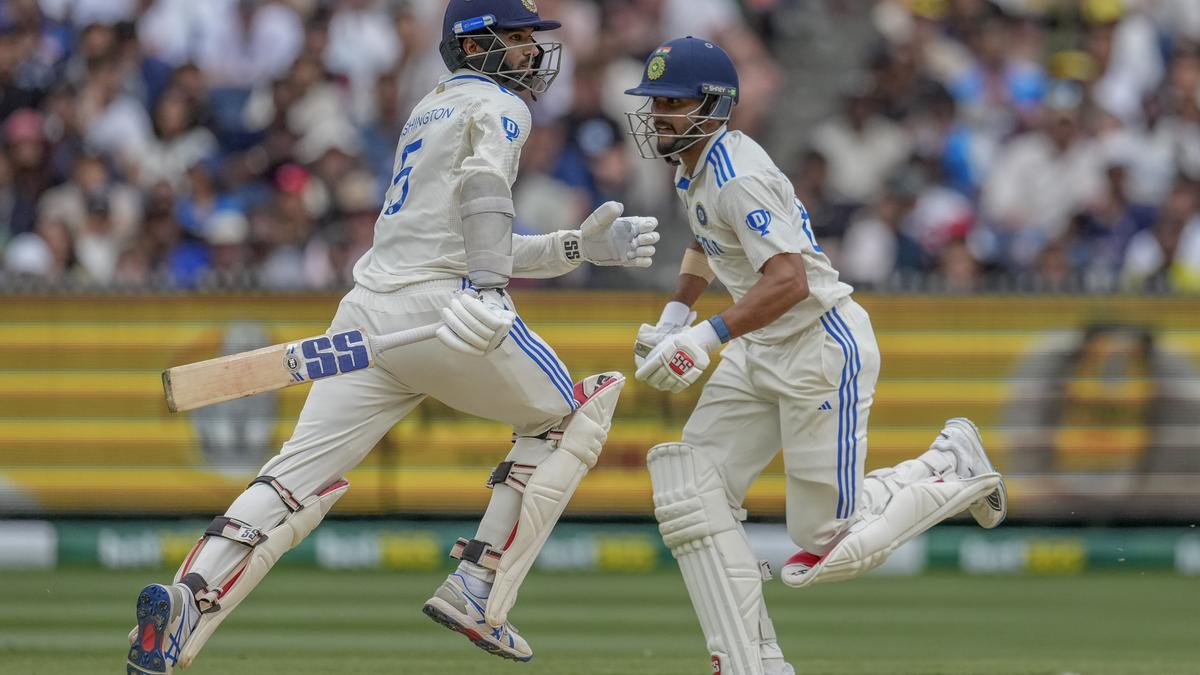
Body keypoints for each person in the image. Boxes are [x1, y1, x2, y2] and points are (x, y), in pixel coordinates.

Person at [126, 2, 661, 672]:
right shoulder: (502, 105)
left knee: (294, 480)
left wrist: (577, 245)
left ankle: (183, 604)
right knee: (575, 410)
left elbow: (454, 230)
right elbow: (484, 191)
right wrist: (491, 289)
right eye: (519, 39)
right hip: (446, 310)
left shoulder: (429, 106)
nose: (532, 53)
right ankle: (478, 584)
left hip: (367, 310)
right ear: (481, 45)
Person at [624, 37, 1007, 675]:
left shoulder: (736, 173)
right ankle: (754, 662)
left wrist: (705, 336)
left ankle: (952, 461)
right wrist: (674, 315)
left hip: (818, 346)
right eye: (655, 102)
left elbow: (789, 282)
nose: (656, 114)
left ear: (713, 106)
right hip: (762, 347)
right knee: (689, 486)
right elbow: (705, 240)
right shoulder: (692, 163)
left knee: (825, 547)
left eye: (671, 102)